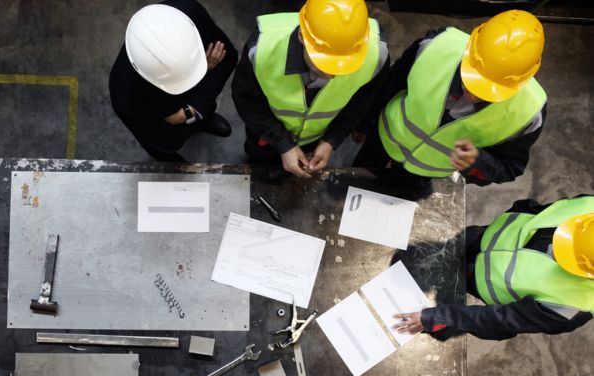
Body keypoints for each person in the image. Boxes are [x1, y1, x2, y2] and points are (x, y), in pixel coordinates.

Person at [354, 10, 546, 185]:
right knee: (359, 179)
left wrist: (478, 162)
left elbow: (509, 168)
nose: (473, 95)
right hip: (383, 138)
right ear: (470, 50)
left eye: (488, 92)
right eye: (472, 82)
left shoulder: (528, 113)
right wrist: (364, 123)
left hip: (425, 172)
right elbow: (389, 85)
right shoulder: (435, 47)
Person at [393, 196, 594, 340]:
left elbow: (498, 321)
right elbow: (534, 209)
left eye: (566, 255)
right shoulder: (588, 207)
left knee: (448, 308)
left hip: (479, 279)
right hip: (481, 237)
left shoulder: (571, 307)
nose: (556, 249)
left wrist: (435, 317)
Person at [231, 0, 389, 178]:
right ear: (301, 36)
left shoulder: (377, 56)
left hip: (315, 139)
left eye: (345, 66)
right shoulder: (262, 49)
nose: (333, 74)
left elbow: (362, 100)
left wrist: (330, 141)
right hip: (265, 134)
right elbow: (246, 99)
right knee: (259, 166)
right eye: (324, 63)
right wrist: (283, 144)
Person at [109, 1, 237, 162]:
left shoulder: (187, 13)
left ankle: (200, 120)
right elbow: (168, 141)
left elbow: (228, 57)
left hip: (184, 111)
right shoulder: (125, 98)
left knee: (202, 110)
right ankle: (167, 160)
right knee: (165, 148)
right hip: (159, 117)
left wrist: (190, 113)